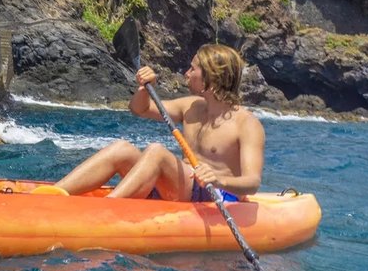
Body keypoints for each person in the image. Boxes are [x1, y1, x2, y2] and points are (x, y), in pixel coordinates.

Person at [53, 43, 264, 202]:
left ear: (213, 77)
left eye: (193, 69)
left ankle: (106, 209)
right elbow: (139, 108)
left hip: (215, 195)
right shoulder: (190, 106)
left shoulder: (246, 124)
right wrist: (145, 88)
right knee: (122, 149)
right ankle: (52, 195)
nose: (186, 74)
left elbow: (252, 183)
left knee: (156, 151)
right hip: (180, 189)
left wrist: (218, 180)